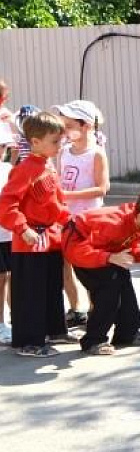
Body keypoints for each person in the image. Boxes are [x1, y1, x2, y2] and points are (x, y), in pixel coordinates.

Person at [64, 188, 140, 355]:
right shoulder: (113, 224)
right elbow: (75, 252)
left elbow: (130, 249)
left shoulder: (137, 220)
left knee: (124, 284)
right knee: (108, 293)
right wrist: (107, 257)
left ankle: (127, 334)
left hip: (106, 252)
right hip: (82, 250)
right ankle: (93, 340)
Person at [0, 112, 72, 357]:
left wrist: (71, 223)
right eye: (54, 141)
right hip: (30, 239)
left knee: (52, 287)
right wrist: (22, 228)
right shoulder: (25, 169)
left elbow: (56, 203)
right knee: (31, 292)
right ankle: (29, 341)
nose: (59, 145)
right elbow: (7, 204)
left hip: (51, 237)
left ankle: (54, 330)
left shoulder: (47, 166)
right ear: (35, 141)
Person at [54, 100, 108, 327]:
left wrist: (68, 195)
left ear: (85, 125)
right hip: (64, 219)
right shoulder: (63, 152)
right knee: (64, 266)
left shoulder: (96, 153)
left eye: (69, 125)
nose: (64, 131)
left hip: (88, 220)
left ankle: (95, 311)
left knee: (89, 268)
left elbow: (102, 187)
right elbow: (58, 179)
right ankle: (75, 309)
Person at [0, 140, 13, 344]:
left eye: (3, 145)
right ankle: (1, 323)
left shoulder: (9, 168)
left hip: (9, 233)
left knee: (8, 277)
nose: (1, 150)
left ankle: (12, 321)